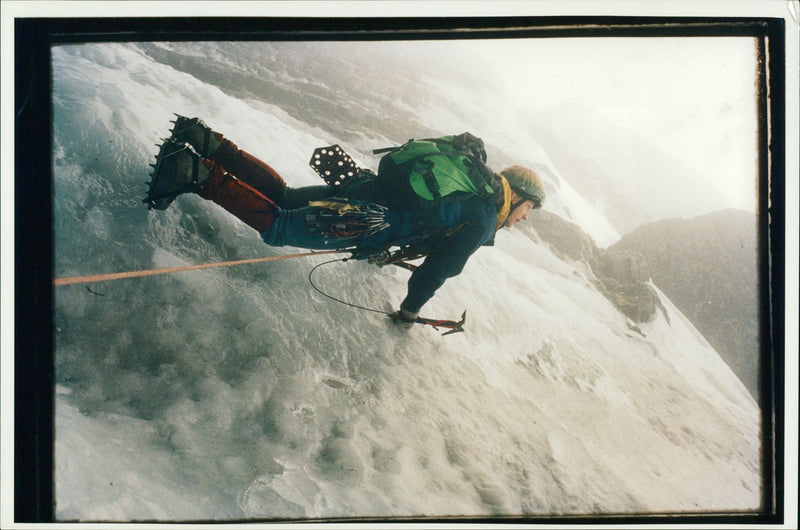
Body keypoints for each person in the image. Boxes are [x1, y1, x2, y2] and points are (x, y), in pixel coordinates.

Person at [144, 116, 545, 325]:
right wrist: (409, 312)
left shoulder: (473, 181)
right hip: (367, 219)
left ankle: (209, 143)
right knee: (281, 226)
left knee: (282, 197)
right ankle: (197, 174)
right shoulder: (483, 214)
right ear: (520, 197)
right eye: (529, 210)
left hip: (362, 188)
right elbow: (436, 272)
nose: (524, 219)